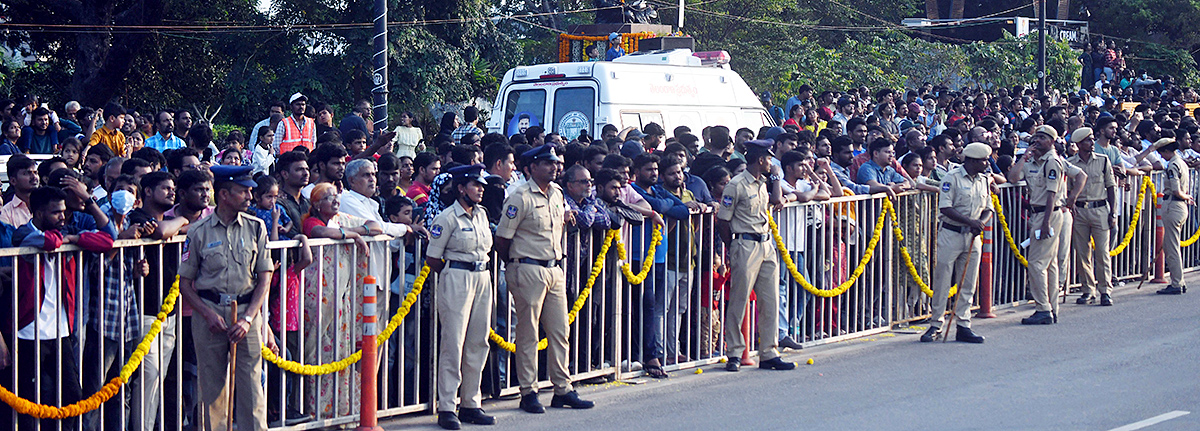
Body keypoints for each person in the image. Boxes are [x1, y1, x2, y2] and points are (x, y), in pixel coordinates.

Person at [494, 144, 594, 413]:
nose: (554, 167)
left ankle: (562, 388)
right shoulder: (520, 196)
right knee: (527, 332)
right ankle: (528, 391)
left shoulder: (557, 193)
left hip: (554, 267)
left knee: (560, 331)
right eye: (547, 163)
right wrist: (516, 263)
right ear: (532, 167)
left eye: (555, 163)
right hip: (527, 267)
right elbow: (503, 239)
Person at [178, 164, 273, 431]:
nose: (250, 197)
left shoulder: (256, 228)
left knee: (252, 385)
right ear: (224, 194)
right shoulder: (198, 231)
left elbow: (264, 276)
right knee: (212, 387)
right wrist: (207, 313)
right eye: (243, 192)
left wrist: (249, 317)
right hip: (210, 312)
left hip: (246, 311)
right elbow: (185, 283)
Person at [426, 164, 497, 430]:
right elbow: (433, 257)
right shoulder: (447, 217)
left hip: (482, 276)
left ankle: (471, 402)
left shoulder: (481, 214)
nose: (480, 189)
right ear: (460, 188)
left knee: (478, 341)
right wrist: (452, 274)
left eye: (481, 185)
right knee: (453, 343)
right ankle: (447, 406)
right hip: (456, 275)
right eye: (475, 185)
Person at [716, 139, 796, 371]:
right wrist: (731, 247)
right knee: (739, 300)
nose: (771, 163)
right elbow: (723, 220)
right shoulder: (737, 185)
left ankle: (769, 352)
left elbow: (776, 201)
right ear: (760, 160)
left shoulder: (763, 183)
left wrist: (776, 180)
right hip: (745, 243)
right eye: (769, 159)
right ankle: (734, 352)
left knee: (769, 300)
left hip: (766, 243)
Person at [921, 143, 992, 343]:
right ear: (971, 161)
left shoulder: (983, 180)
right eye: (982, 161)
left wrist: (980, 223)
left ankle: (963, 324)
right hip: (951, 233)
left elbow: (988, 207)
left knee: (967, 282)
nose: (986, 164)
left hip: (973, 236)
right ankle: (936, 324)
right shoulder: (951, 179)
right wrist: (970, 222)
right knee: (943, 280)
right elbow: (945, 207)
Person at [1008, 126, 1068, 325]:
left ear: (1052, 141)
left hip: (1046, 214)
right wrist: (1024, 157)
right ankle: (1051, 307)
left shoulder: (1052, 162)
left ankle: (1043, 308)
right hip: (1039, 214)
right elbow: (1013, 177)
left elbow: (1051, 194)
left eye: (1042, 138)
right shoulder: (1034, 161)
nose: (1037, 141)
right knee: (1048, 265)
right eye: (1035, 137)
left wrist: (1045, 223)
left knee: (1036, 264)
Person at [1066, 128, 1118, 305]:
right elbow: (1068, 188)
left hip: (1100, 207)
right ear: (1079, 144)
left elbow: (1111, 187)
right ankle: (1088, 289)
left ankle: (1105, 290)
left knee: (1102, 253)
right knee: (1082, 253)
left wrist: (1113, 212)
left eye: (1092, 140)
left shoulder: (1103, 161)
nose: (1092, 143)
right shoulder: (1071, 163)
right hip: (1080, 210)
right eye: (1088, 141)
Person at [1154, 137, 1193, 295]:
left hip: (1174, 205)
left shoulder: (1172, 165)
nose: (1162, 156)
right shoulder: (1182, 162)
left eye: (1162, 153)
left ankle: (1176, 283)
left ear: (1167, 151)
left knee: (1172, 247)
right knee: (1172, 244)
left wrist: (1184, 196)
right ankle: (1179, 281)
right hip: (1180, 207)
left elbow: (1176, 190)